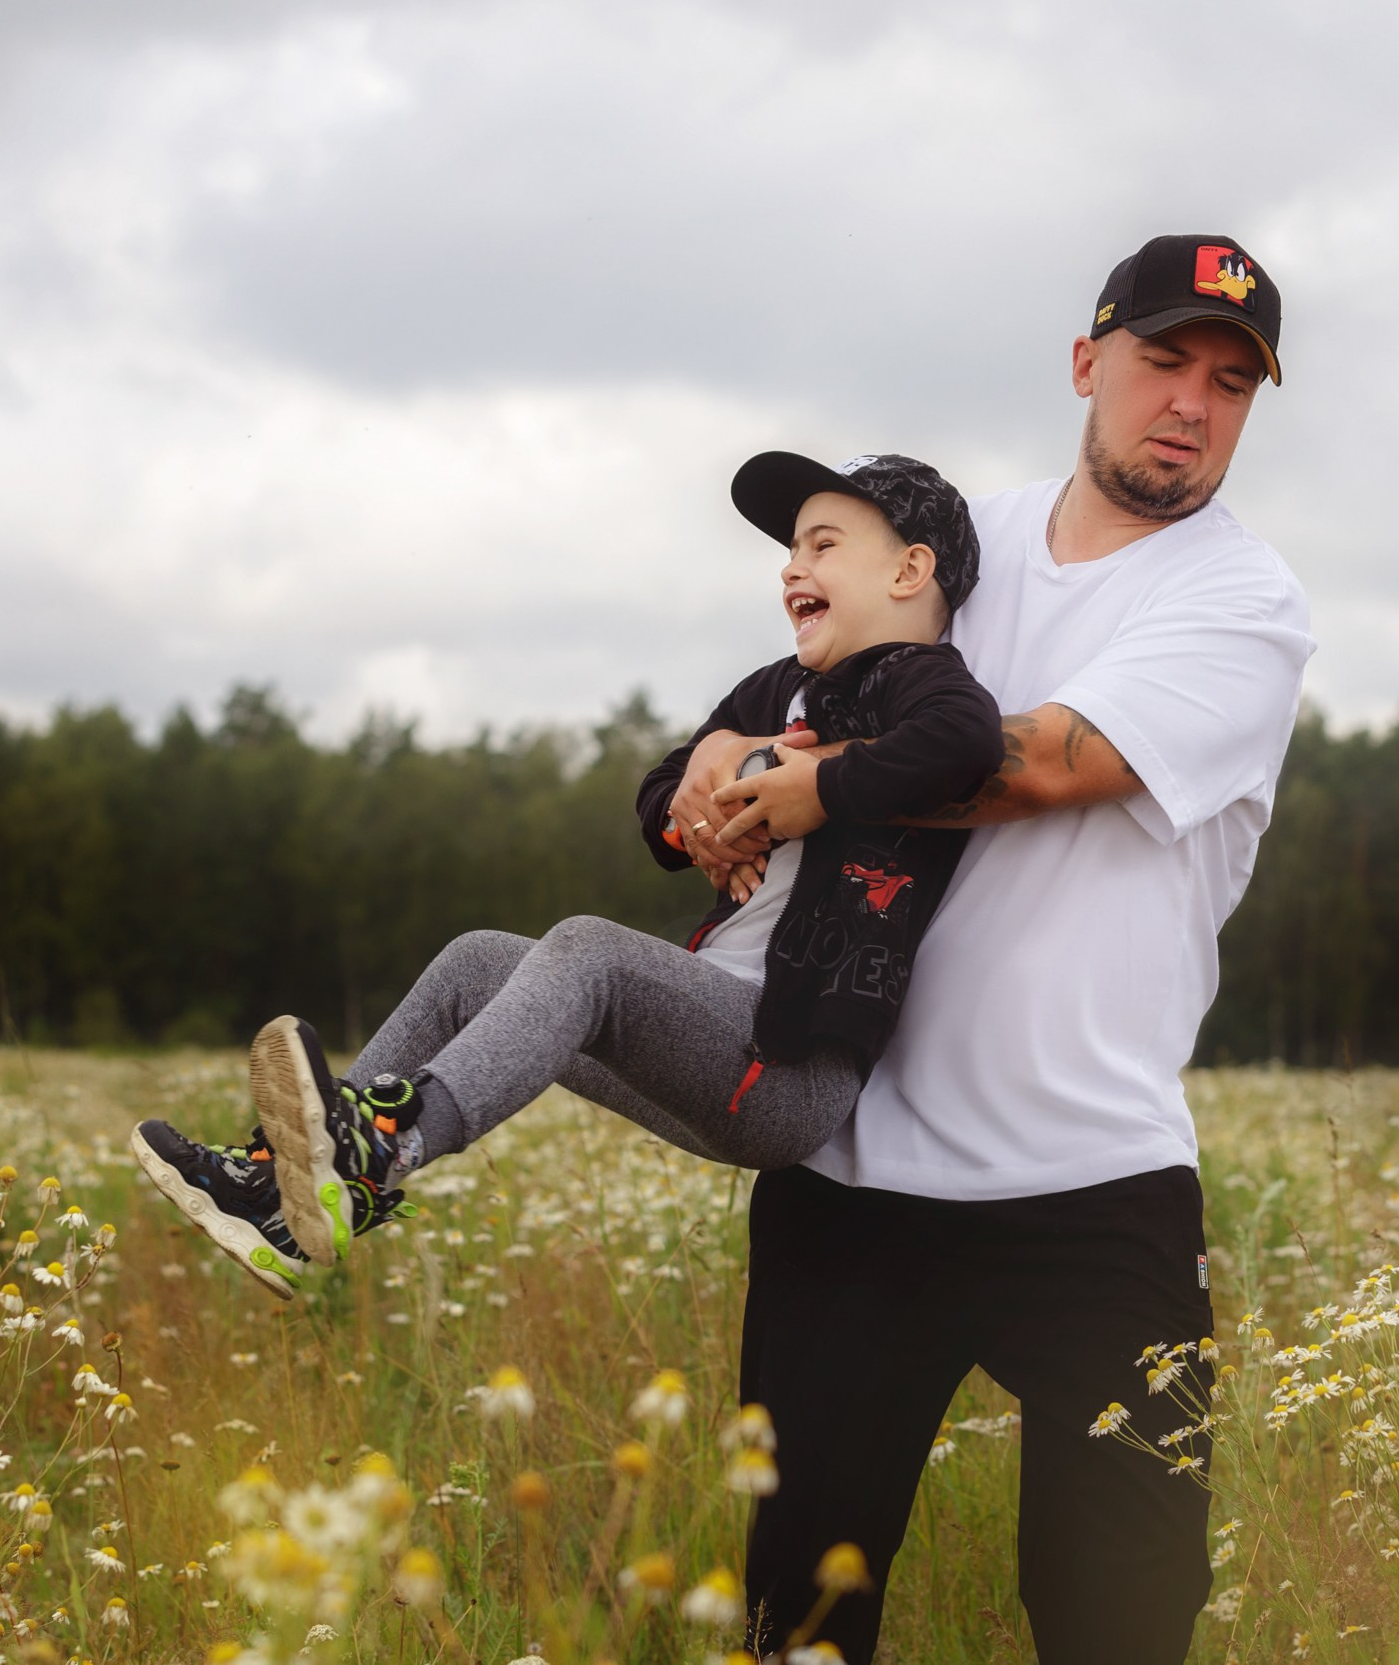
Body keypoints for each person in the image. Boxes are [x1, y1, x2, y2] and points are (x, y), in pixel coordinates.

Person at [672, 234, 1316, 1665]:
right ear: (1088, 365)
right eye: (1162, 361)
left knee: (1120, 1623)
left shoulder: (1242, 605)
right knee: (800, 1620)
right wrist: (719, 756)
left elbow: (1034, 763)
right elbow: (796, 685)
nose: (1191, 405)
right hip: (852, 1172)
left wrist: (801, 773)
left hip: (1096, 1192)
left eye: (1231, 382)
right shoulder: (952, 553)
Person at [128, 451, 1002, 1293]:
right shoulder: (776, 689)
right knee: (477, 959)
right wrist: (707, 795)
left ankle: (381, 1149)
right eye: (789, 550)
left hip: (787, 1067)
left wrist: (814, 784)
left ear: (908, 571)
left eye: (822, 545)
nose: (790, 569)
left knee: (588, 948)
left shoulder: (919, 681)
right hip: (713, 1020)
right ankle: (280, 1194)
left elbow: (964, 744)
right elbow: (662, 797)